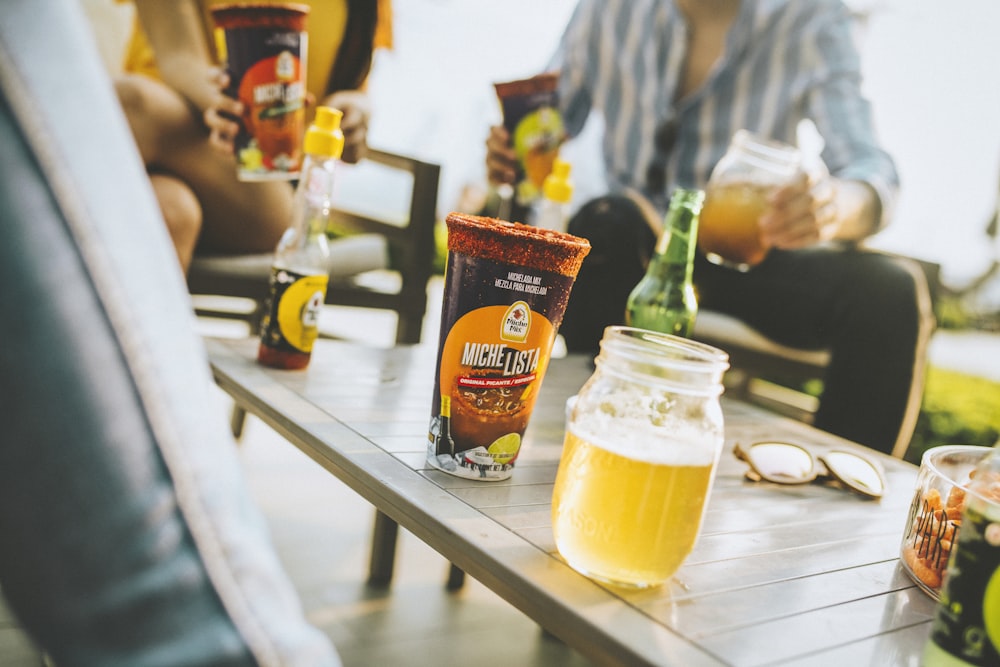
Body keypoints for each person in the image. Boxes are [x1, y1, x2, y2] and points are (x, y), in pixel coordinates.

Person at [485, 0, 935, 456]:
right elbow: (546, 118)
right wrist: (514, 151)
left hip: (748, 254)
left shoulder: (811, 15)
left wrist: (833, 205)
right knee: (606, 223)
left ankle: (846, 490)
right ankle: (587, 437)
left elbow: (870, 168)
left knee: (890, 290)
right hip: (630, 248)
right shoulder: (607, 8)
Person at [115, 0, 391, 271]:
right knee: (173, 212)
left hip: (263, 182)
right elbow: (178, 57)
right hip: (153, 158)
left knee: (134, 103)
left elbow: (356, 87)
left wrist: (356, 111)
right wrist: (227, 103)